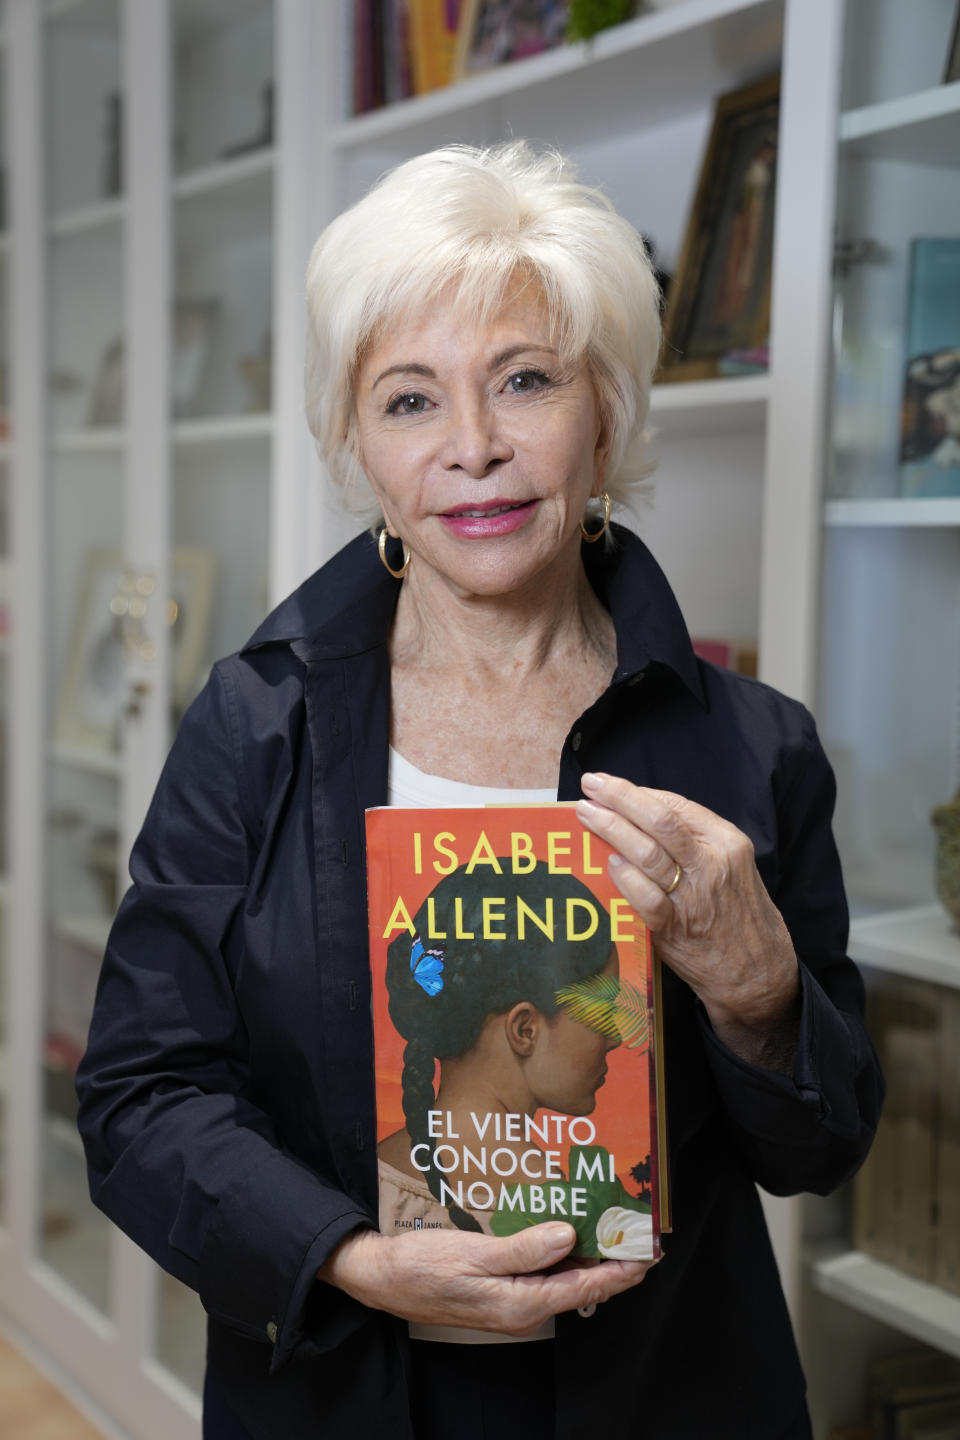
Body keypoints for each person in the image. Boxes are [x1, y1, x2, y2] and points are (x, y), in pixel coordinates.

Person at [76, 141, 883, 1440]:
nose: (474, 447)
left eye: (525, 381)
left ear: (607, 412)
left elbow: (822, 1150)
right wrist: (348, 1257)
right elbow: (139, 1096)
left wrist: (760, 993)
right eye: (409, 400)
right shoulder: (253, 722)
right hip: (341, 1400)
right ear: (355, 446)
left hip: (671, 1400)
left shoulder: (755, 747)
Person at [378, 865, 627, 1242]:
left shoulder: (376, 1173)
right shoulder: (561, 1207)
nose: (617, 1038)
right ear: (524, 1030)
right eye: (602, 1012)